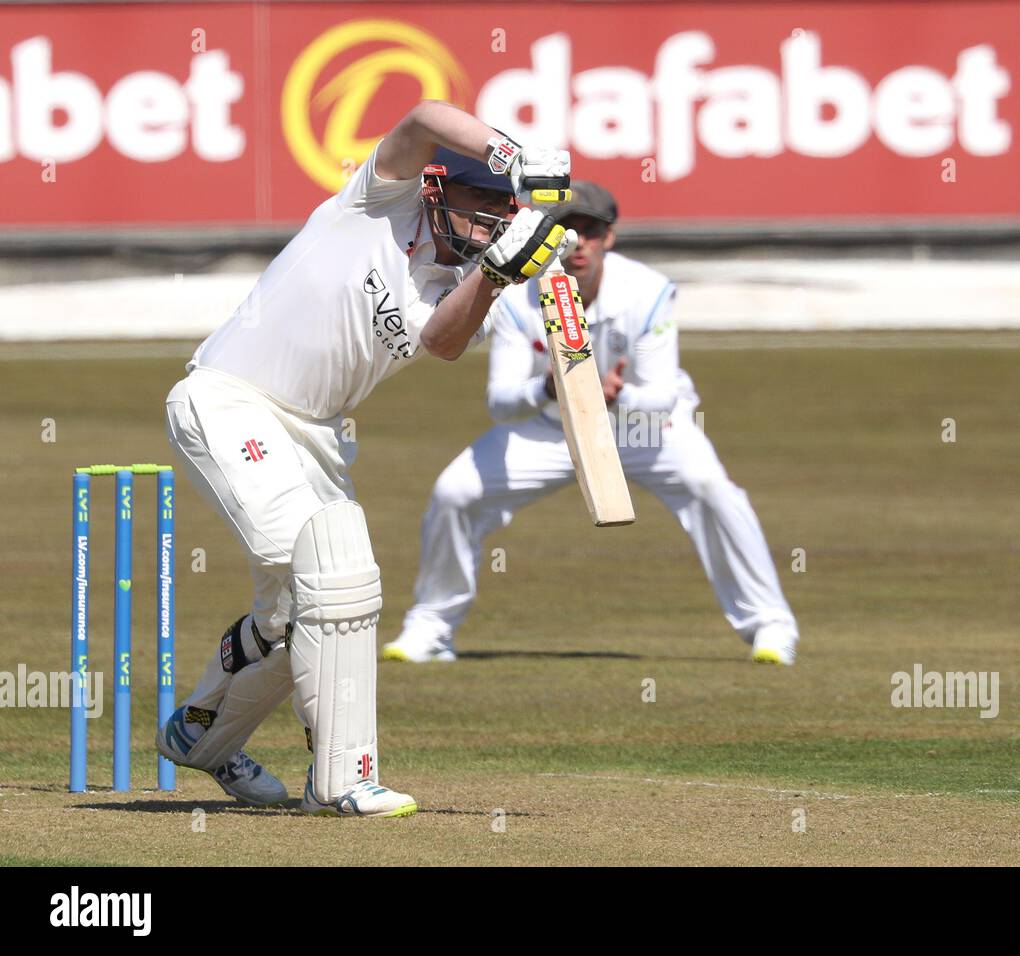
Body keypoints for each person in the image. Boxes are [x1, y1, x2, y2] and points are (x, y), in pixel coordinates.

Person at [156, 99, 575, 816]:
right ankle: (342, 780)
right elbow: (422, 117)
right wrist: (514, 154)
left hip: (315, 435)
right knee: (327, 581)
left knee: (302, 609)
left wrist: (501, 273)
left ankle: (201, 736)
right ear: (437, 192)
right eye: (485, 204)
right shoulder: (380, 200)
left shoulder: (466, 290)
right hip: (230, 399)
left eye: (507, 214)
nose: (496, 224)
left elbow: (442, 342)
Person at [383, 181, 800, 667]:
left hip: (642, 429)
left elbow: (662, 398)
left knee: (712, 489)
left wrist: (618, 395)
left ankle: (770, 625)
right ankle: (430, 628)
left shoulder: (647, 292)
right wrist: (550, 389)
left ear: (609, 238)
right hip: (550, 426)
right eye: (564, 230)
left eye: (590, 231)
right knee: (456, 492)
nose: (577, 243)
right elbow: (501, 403)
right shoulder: (516, 295)